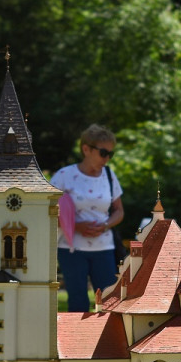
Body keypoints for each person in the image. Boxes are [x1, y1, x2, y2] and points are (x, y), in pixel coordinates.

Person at [51, 124, 124, 312]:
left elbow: (119, 211)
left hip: (104, 248)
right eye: (103, 152)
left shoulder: (109, 175)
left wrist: (106, 225)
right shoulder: (64, 176)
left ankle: (107, 341)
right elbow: (47, 211)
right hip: (71, 248)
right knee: (77, 301)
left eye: (110, 154)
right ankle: (77, 341)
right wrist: (76, 226)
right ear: (86, 149)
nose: (107, 158)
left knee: (108, 301)